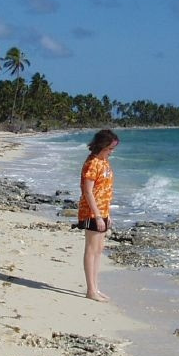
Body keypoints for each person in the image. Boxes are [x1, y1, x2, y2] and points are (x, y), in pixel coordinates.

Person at [76, 129, 119, 302]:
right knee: (91, 249)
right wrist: (98, 216)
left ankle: (95, 287)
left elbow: (105, 190)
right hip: (91, 212)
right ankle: (90, 290)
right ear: (102, 146)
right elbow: (87, 191)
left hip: (103, 211)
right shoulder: (92, 163)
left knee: (99, 250)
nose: (112, 151)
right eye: (110, 148)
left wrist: (107, 214)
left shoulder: (104, 162)